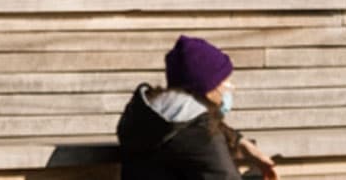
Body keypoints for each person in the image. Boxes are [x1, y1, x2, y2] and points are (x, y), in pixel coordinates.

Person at [114, 35, 277, 180]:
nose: (230, 87)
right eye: (224, 81)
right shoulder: (200, 134)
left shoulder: (143, 115)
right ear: (207, 88)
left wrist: (240, 142)